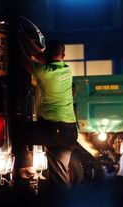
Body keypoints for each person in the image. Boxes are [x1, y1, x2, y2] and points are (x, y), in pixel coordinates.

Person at [14, 33, 78, 192]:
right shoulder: (66, 70)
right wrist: (26, 39)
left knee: (18, 133)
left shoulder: (44, 72)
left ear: (47, 54)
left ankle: (27, 168)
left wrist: (16, 39)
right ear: (63, 55)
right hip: (70, 132)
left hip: (53, 129)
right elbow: (40, 56)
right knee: (59, 174)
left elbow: (24, 60)